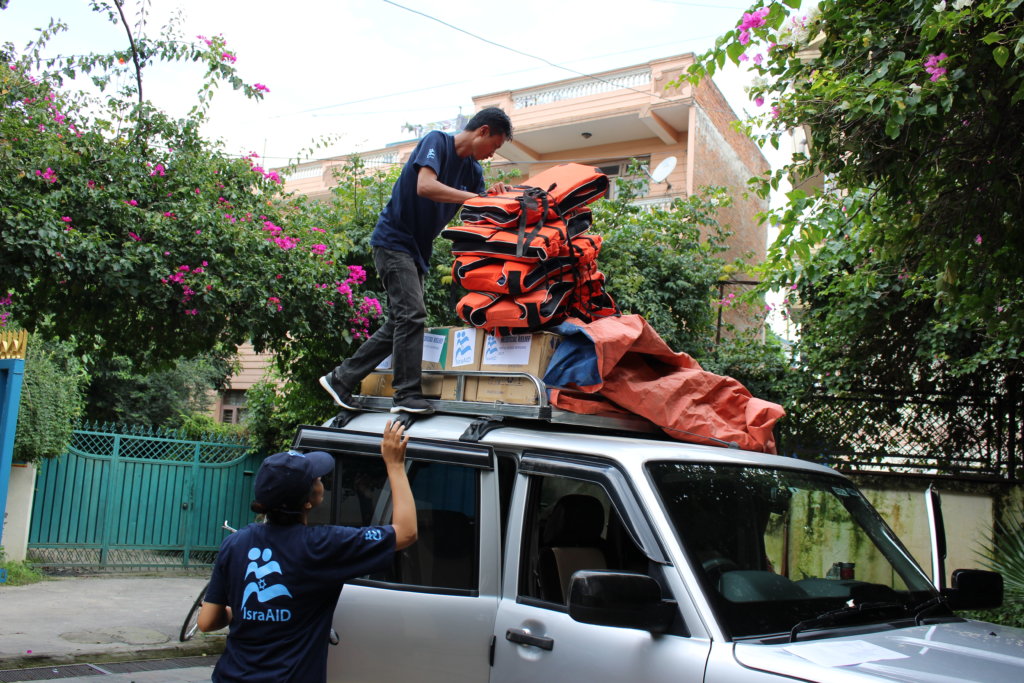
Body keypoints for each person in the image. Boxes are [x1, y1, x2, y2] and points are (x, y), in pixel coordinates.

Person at [319, 107, 513, 414]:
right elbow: (425, 186)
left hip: (417, 251)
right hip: (393, 241)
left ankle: (341, 378)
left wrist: (499, 196)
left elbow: (479, 210)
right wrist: (476, 197)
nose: (492, 155)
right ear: (483, 131)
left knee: (401, 320)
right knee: (412, 315)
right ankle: (406, 394)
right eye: (495, 146)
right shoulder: (437, 141)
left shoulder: (473, 172)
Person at [197, 421, 417, 683]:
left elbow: (207, 622)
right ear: (309, 501)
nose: (322, 480)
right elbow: (406, 532)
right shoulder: (324, 545)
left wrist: (245, 611)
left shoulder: (235, 543)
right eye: (317, 478)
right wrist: (395, 465)